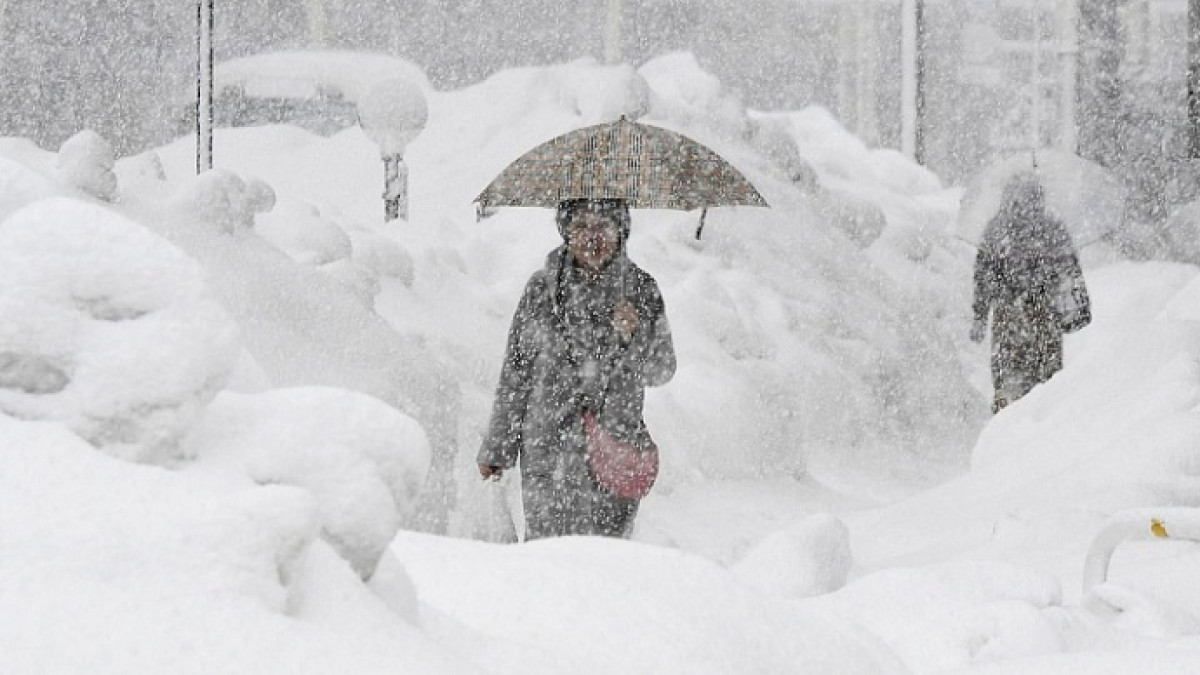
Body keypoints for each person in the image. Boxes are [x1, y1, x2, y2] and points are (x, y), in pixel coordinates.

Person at [477, 198, 676, 540]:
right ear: (565, 231)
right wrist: (498, 448)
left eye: (603, 226)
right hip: (547, 453)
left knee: (606, 566)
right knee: (547, 562)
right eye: (581, 226)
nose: (591, 237)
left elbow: (662, 370)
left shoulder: (642, 290)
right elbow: (516, 372)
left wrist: (636, 335)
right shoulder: (541, 290)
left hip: (613, 449)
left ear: (621, 230)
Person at [970, 173, 1089, 413]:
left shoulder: (997, 230)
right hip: (1045, 318)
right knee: (1047, 384)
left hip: (1009, 319)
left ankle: (1006, 427)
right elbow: (1070, 273)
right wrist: (1079, 309)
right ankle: (1040, 430)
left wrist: (981, 316)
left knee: (1008, 380)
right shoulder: (1053, 229)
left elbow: (983, 278)